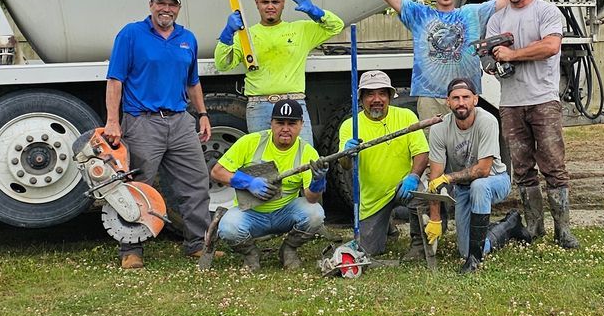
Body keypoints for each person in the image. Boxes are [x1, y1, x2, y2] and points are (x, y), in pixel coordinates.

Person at [102, 0, 217, 269]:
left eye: (172, 4)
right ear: (151, 5)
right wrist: (113, 121)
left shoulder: (187, 38)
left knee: (196, 183)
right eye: (161, 3)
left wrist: (202, 114)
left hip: (180, 121)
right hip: (143, 121)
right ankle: (131, 249)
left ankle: (197, 244)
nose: (166, 9)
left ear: (178, 8)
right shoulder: (131, 34)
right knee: (136, 185)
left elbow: (192, 82)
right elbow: (115, 80)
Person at [482, 0, 579, 249]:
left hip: (543, 100)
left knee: (554, 166)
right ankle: (535, 228)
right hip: (511, 103)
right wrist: (492, 64)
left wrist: (512, 55)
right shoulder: (497, 21)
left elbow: (550, 47)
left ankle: (563, 231)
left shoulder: (546, 12)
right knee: (523, 169)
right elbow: (488, 57)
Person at [210, 100, 327, 270]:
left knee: (315, 214)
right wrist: (248, 183)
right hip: (251, 214)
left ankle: (289, 249)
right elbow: (217, 172)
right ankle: (251, 254)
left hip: (285, 213)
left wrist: (318, 182)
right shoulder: (250, 142)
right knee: (228, 227)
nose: (285, 129)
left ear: (301, 125)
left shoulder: (307, 152)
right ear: (271, 123)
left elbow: (311, 198)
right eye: (280, 123)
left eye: (292, 123)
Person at [378, 0, 495, 121]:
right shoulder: (419, 14)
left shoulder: (472, 13)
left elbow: (507, 1)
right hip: (430, 97)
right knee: (433, 138)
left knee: (465, 139)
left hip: (465, 95)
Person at [214, 0, 345, 131]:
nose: (270, 6)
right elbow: (222, 65)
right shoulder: (245, 36)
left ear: (283, 3)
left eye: (275, 2)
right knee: (262, 148)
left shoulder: (301, 30)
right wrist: (227, 33)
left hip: (294, 102)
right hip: (258, 107)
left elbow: (337, 26)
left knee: (302, 148)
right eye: (265, 2)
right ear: (256, 3)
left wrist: (315, 12)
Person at [334, 70, 430, 261]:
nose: (376, 99)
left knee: (422, 195)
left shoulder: (406, 116)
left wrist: (413, 177)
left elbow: (421, 152)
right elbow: (345, 166)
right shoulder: (350, 126)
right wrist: (346, 153)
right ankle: (387, 227)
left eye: (382, 94)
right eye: (370, 94)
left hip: (404, 186)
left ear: (390, 97)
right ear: (361, 98)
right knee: (368, 251)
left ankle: (419, 245)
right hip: (373, 198)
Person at [424, 78, 512, 272]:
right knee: (464, 249)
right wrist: (435, 218)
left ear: (475, 100)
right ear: (448, 102)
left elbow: (483, 171)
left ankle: (474, 259)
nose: (461, 102)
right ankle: (510, 226)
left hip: (495, 180)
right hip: (464, 187)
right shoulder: (439, 129)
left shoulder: (487, 121)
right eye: (456, 98)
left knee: (479, 186)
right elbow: (434, 179)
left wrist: (449, 178)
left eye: (466, 97)